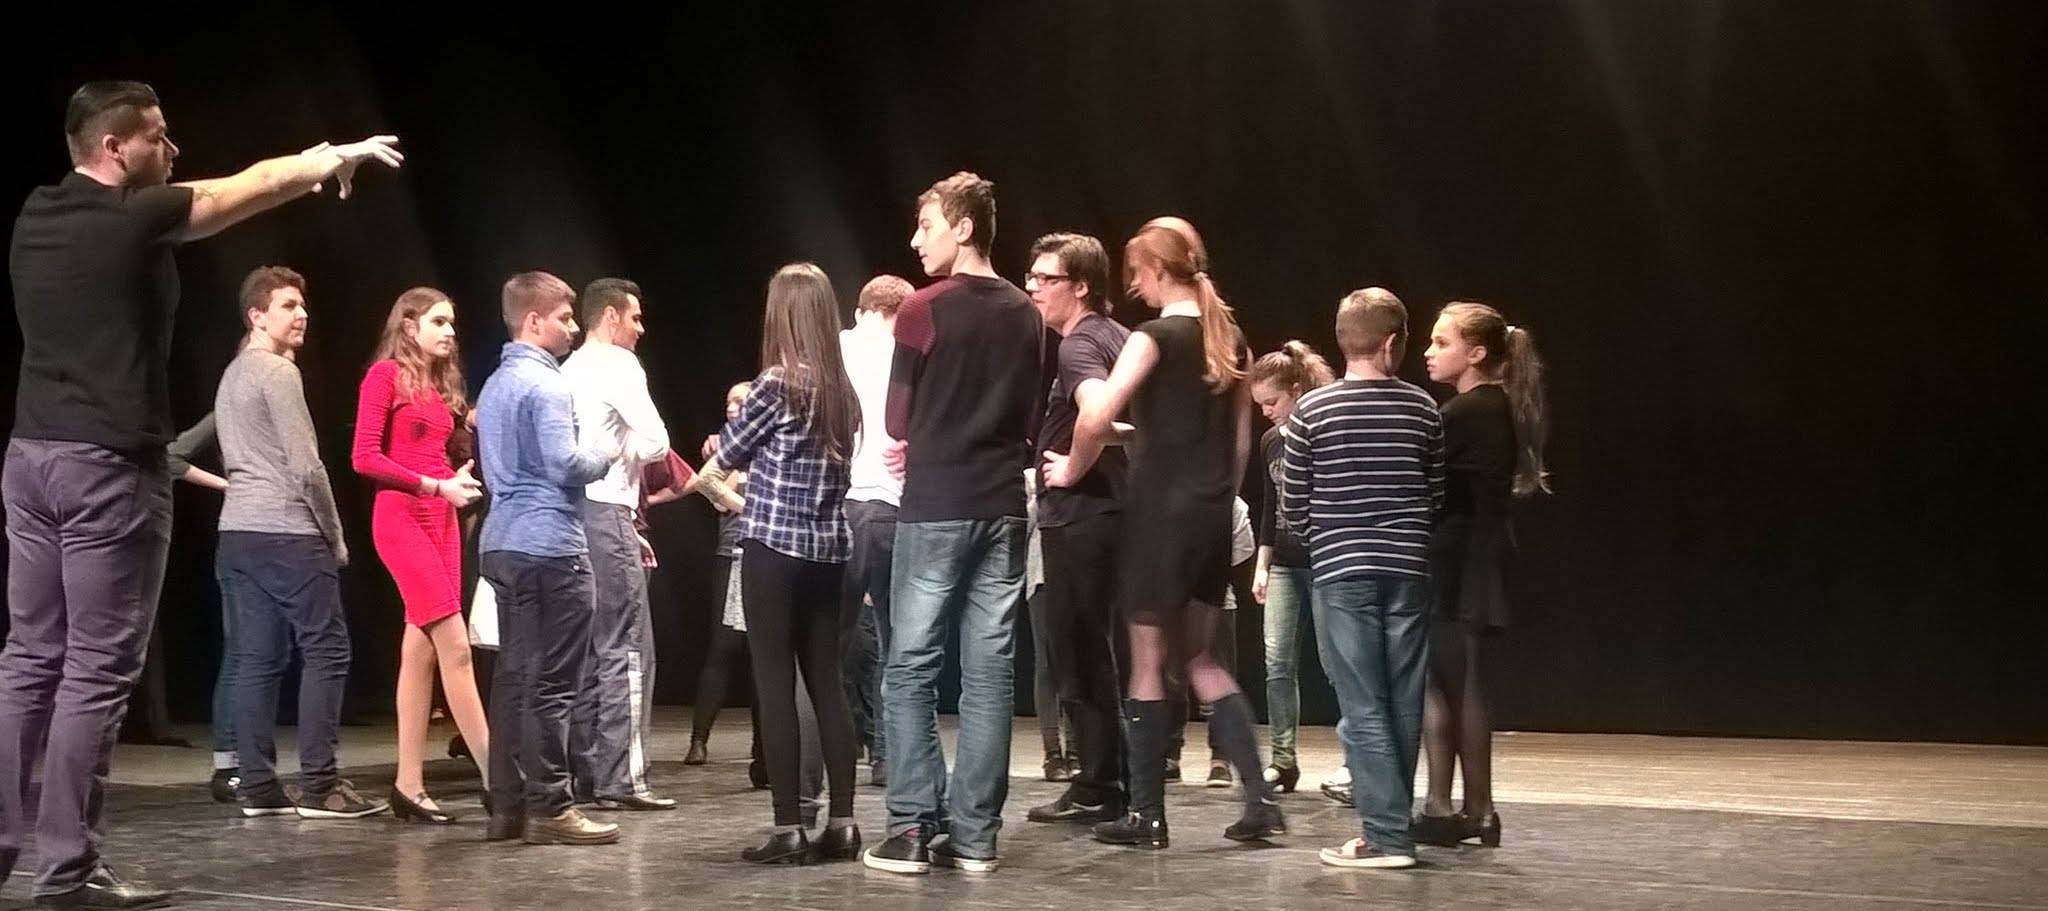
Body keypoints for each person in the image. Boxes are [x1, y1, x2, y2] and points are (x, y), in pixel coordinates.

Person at [3, 80, 398, 906]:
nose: (173, 149)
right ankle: (66, 868)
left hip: (31, 459)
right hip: (106, 467)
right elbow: (244, 188)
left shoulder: (37, 212)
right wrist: (327, 158)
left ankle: (12, 847)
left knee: (30, 659)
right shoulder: (132, 217)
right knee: (95, 668)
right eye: (158, 136)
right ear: (115, 148)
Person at [1044, 216, 1282, 850]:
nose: (1135, 286)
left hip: (1157, 519)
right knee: (1202, 658)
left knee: (1147, 663)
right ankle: (1260, 800)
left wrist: (1071, 468)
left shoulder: (1152, 337)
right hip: (1209, 516)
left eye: (1137, 274)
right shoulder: (1230, 340)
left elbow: (1094, 414)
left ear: (1152, 271)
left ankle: (1147, 814)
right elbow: (1238, 446)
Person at [863, 172, 1042, 876]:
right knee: (990, 673)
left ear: (963, 228)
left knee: (909, 666)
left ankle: (911, 826)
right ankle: (974, 837)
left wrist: (929, 431)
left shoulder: (921, 308)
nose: (916, 240)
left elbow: (895, 420)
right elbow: (1028, 416)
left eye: (927, 225)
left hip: (937, 504)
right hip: (1002, 505)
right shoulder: (1027, 312)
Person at [694, 263, 862, 864]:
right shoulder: (841, 391)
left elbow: (728, 453)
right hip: (829, 551)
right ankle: (843, 824)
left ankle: (789, 826)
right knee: (827, 684)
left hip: (774, 549)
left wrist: (727, 460)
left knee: (774, 683)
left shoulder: (776, 384)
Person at [1280, 287, 1444, 869]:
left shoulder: (1311, 411)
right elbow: (1435, 494)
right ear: (1393, 342)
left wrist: (1328, 541)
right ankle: (1392, 828)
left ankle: (1387, 837)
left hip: (1341, 570)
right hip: (1408, 568)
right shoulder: (1423, 408)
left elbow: (1293, 503)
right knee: (1402, 701)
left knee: (1364, 704)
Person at [215, 267, 386, 822]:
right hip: (288, 531)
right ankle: (321, 786)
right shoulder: (278, 372)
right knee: (327, 651)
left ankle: (257, 786)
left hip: (238, 533)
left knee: (256, 660)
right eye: (288, 305)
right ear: (256, 316)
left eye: (303, 305)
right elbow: (306, 467)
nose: (302, 314)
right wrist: (335, 535)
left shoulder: (232, 374)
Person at [475, 272, 620, 846]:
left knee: (513, 679)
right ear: (533, 321)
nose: (573, 327)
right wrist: (603, 453)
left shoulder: (494, 386)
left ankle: (507, 807)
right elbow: (565, 464)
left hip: (502, 543)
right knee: (554, 684)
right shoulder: (547, 385)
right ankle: (552, 806)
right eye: (563, 317)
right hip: (550, 547)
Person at [1413, 301, 1549, 849]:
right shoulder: (1494, 407)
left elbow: (1419, 478)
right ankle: (1469, 808)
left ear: (1476, 353)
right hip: (1477, 554)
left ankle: (1452, 806)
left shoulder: (1466, 412)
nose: (1429, 352)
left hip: (1458, 558)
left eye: (1441, 342)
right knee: (1460, 681)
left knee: (1448, 682)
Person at [351, 287, 490, 824]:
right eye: (438, 322)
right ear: (409, 326)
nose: (450, 331)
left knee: (421, 653)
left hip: (442, 519)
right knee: (456, 648)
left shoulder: (437, 386)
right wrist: (434, 486)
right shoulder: (384, 376)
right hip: (402, 519)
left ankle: (408, 786)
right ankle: (498, 779)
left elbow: (432, 453)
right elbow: (364, 457)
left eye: (451, 322)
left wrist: (454, 477)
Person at [1021, 232, 1131, 826]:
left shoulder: (1079, 344)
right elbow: (1126, 422)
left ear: (1081, 286)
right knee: (1094, 651)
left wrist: (1072, 466)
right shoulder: (1119, 337)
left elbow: (1096, 411)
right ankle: (1109, 781)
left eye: (1046, 278)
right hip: (1107, 515)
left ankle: (1098, 785)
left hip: (1081, 516)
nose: (1033, 287)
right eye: (1032, 276)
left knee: (1079, 652)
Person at [562, 278, 675, 811]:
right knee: (627, 647)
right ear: (610, 317)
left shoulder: (567, 368)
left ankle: (588, 772)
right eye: (634, 317)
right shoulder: (619, 364)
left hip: (572, 515)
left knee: (589, 645)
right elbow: (657, 443)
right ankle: (622, 778)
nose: (640, 328)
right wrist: (621, 445)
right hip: (608, 510)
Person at [1247, 341, 1337, 794]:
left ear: (1297, 391)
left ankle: (1355, 760)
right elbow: (1270, 507)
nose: (1266, 412)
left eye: (1272, 401)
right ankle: (1283, 761)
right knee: (1277, 661)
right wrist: (1261, 565)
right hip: (1283, 563)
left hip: (1322, 563)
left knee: (1335, 662)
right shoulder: (1269, 442)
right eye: (1260, 405)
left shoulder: (1323, 433)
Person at [837, 274, 912, 788]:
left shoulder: (834, 348)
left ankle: (833, 753)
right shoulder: (907, 354)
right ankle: (887, 757)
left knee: (829, 639)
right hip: (890, 504)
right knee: (892, 640)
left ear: (862, 309)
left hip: (839, 504)